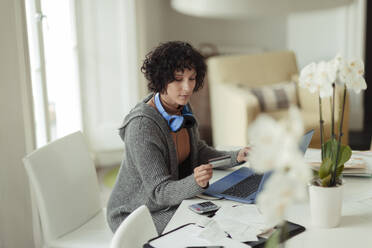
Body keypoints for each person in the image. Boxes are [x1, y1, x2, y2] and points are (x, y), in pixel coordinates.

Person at [106, 41, 250, 234]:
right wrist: (195, 182)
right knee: (207, 227)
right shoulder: (142, 127)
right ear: (161, 79)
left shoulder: (180, 107)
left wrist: (236, 156)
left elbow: (197, 152)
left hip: (168, 203)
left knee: (227, 216)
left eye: (192, 79)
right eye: (178, 79)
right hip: (136, 214)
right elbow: (159, 193)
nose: (187, 88)